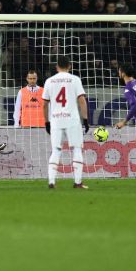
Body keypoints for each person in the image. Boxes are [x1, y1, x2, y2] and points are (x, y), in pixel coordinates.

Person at [42, 55, 89, 189]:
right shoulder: (75, 79)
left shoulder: (49, 81)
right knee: (76, 149)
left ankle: (51, 182)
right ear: (69, 66)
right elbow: (81, 100)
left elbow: (44, 104)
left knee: (56, 150)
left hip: (56, 120)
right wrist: (85, 119)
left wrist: (47, 122)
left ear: (57, 67)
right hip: (72, 120)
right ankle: (78, 182)